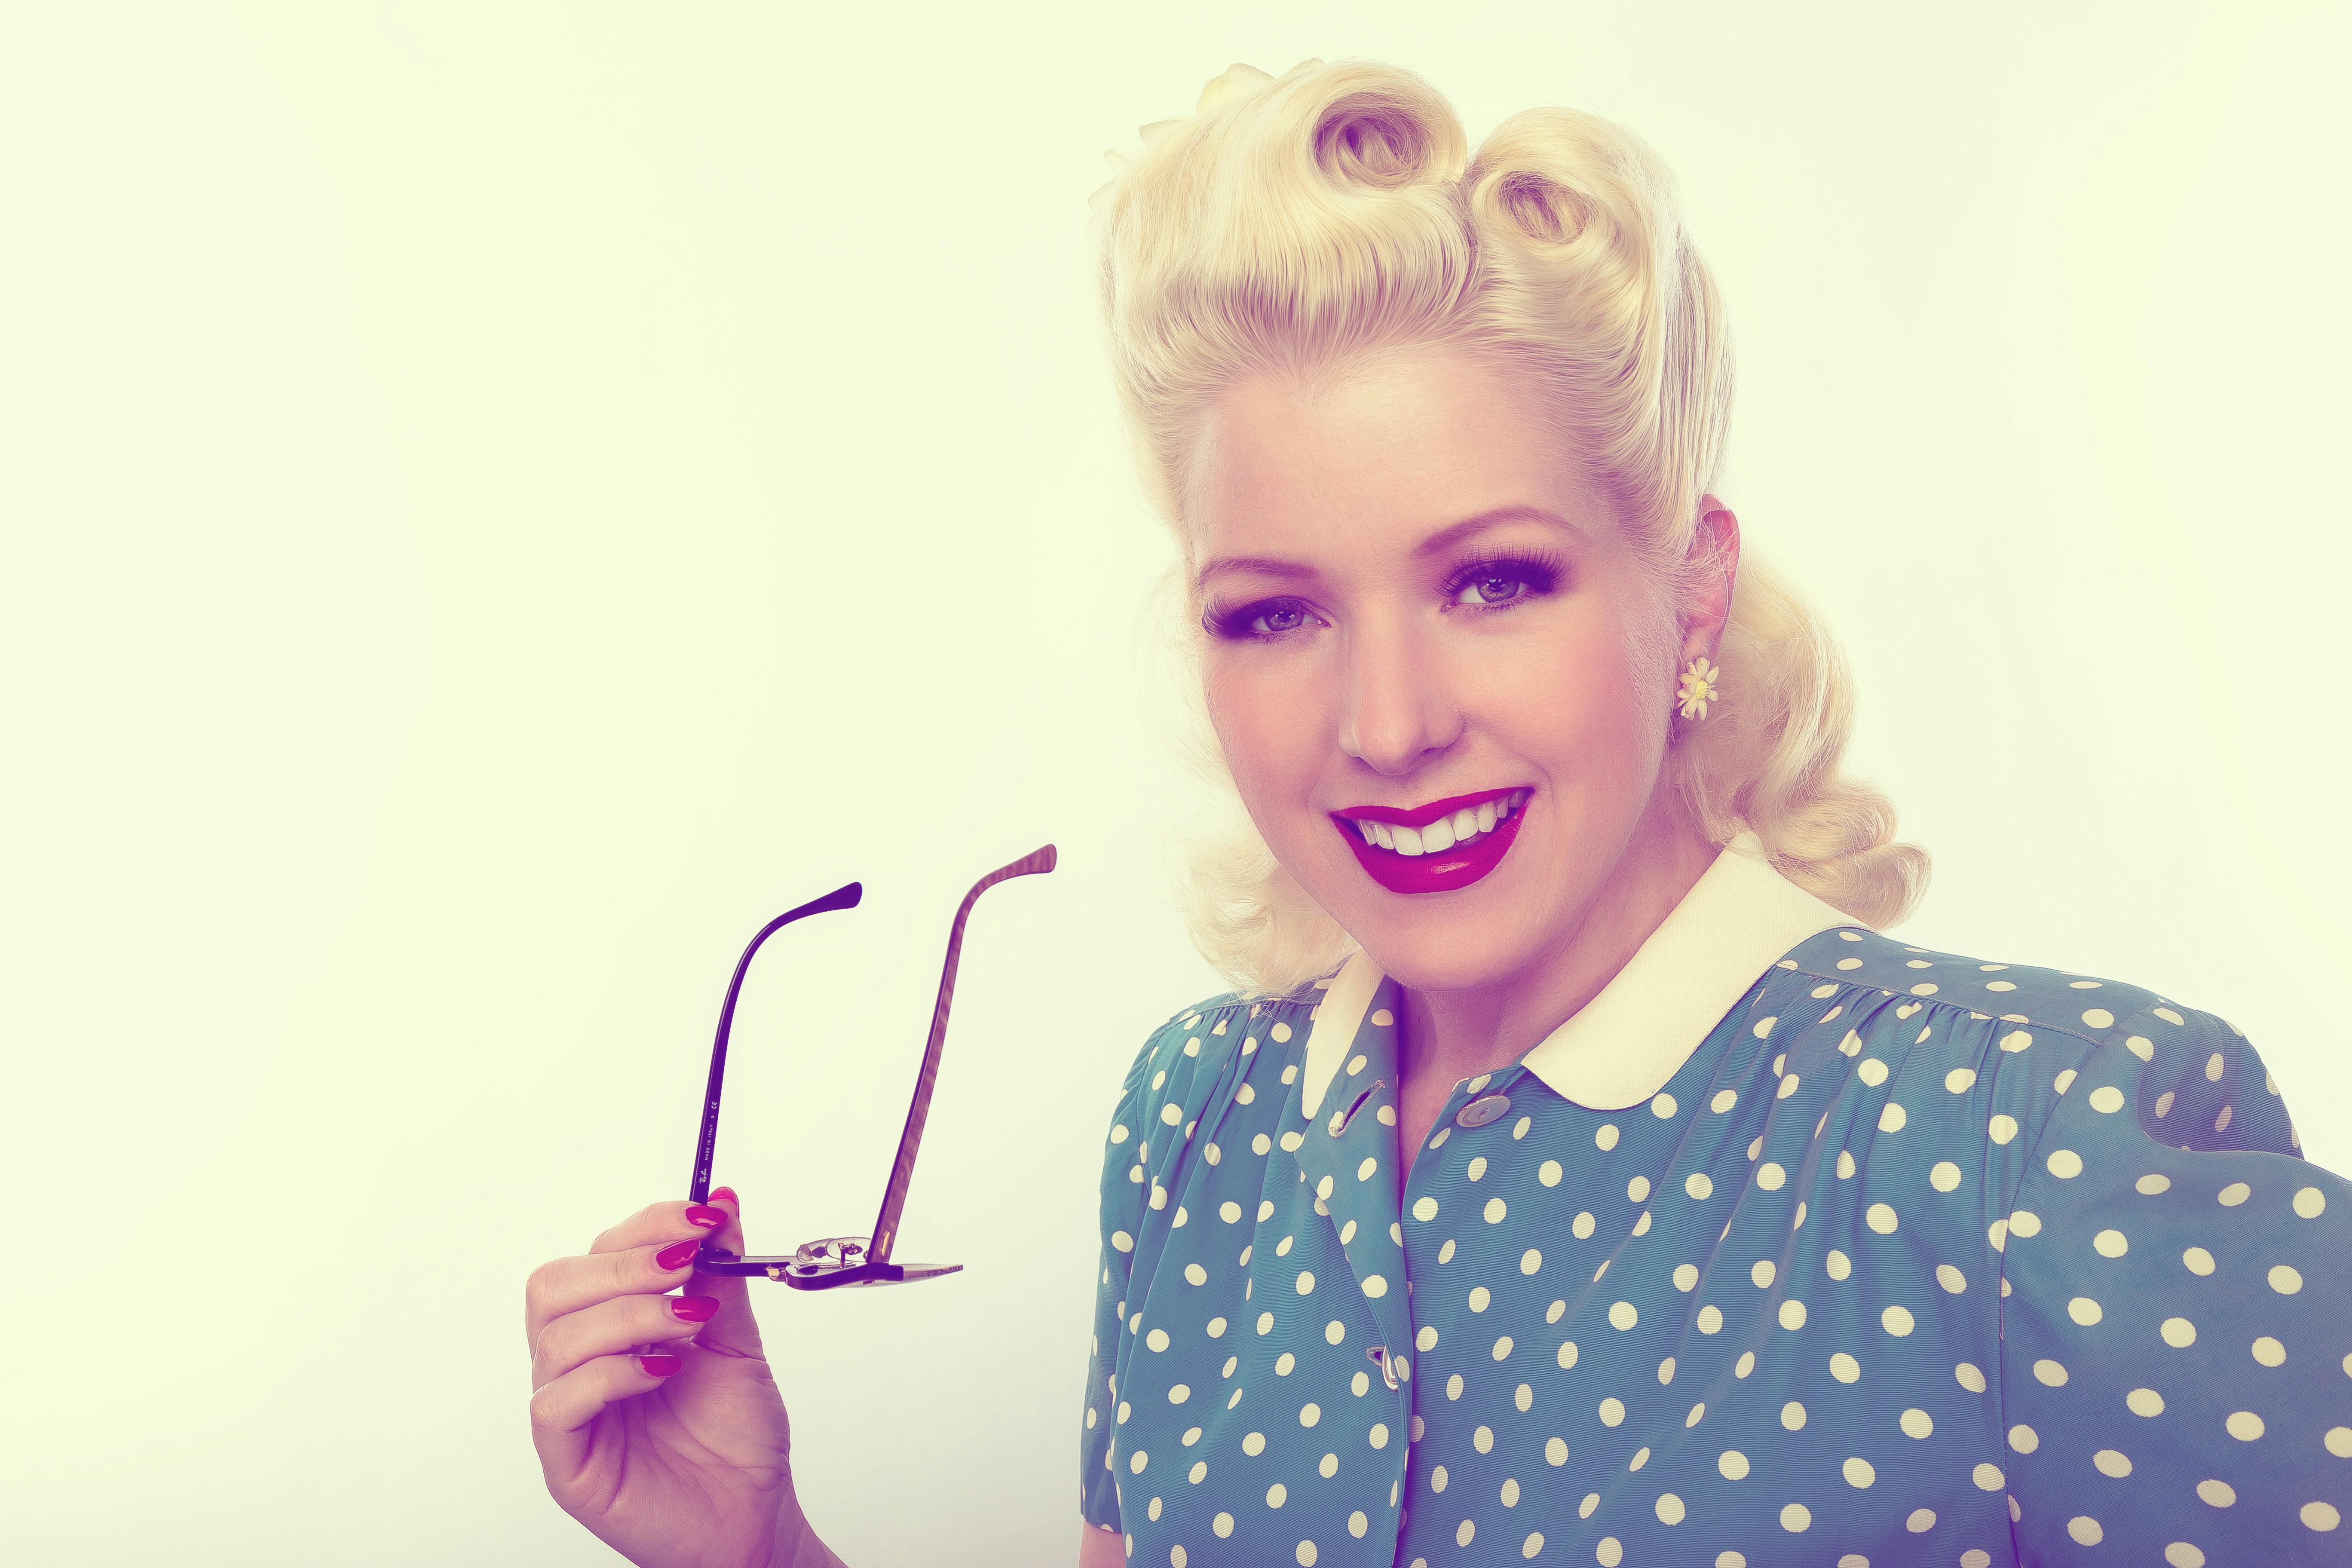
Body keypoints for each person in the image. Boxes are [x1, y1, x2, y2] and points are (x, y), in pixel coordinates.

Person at [523, 58, 2351, 1568]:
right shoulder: (1200, 1124)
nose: (1386, 726)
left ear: (1688, 590)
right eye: (1279, 614)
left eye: (1492, 582)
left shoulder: (2039, 1146)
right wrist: (757, 1553)